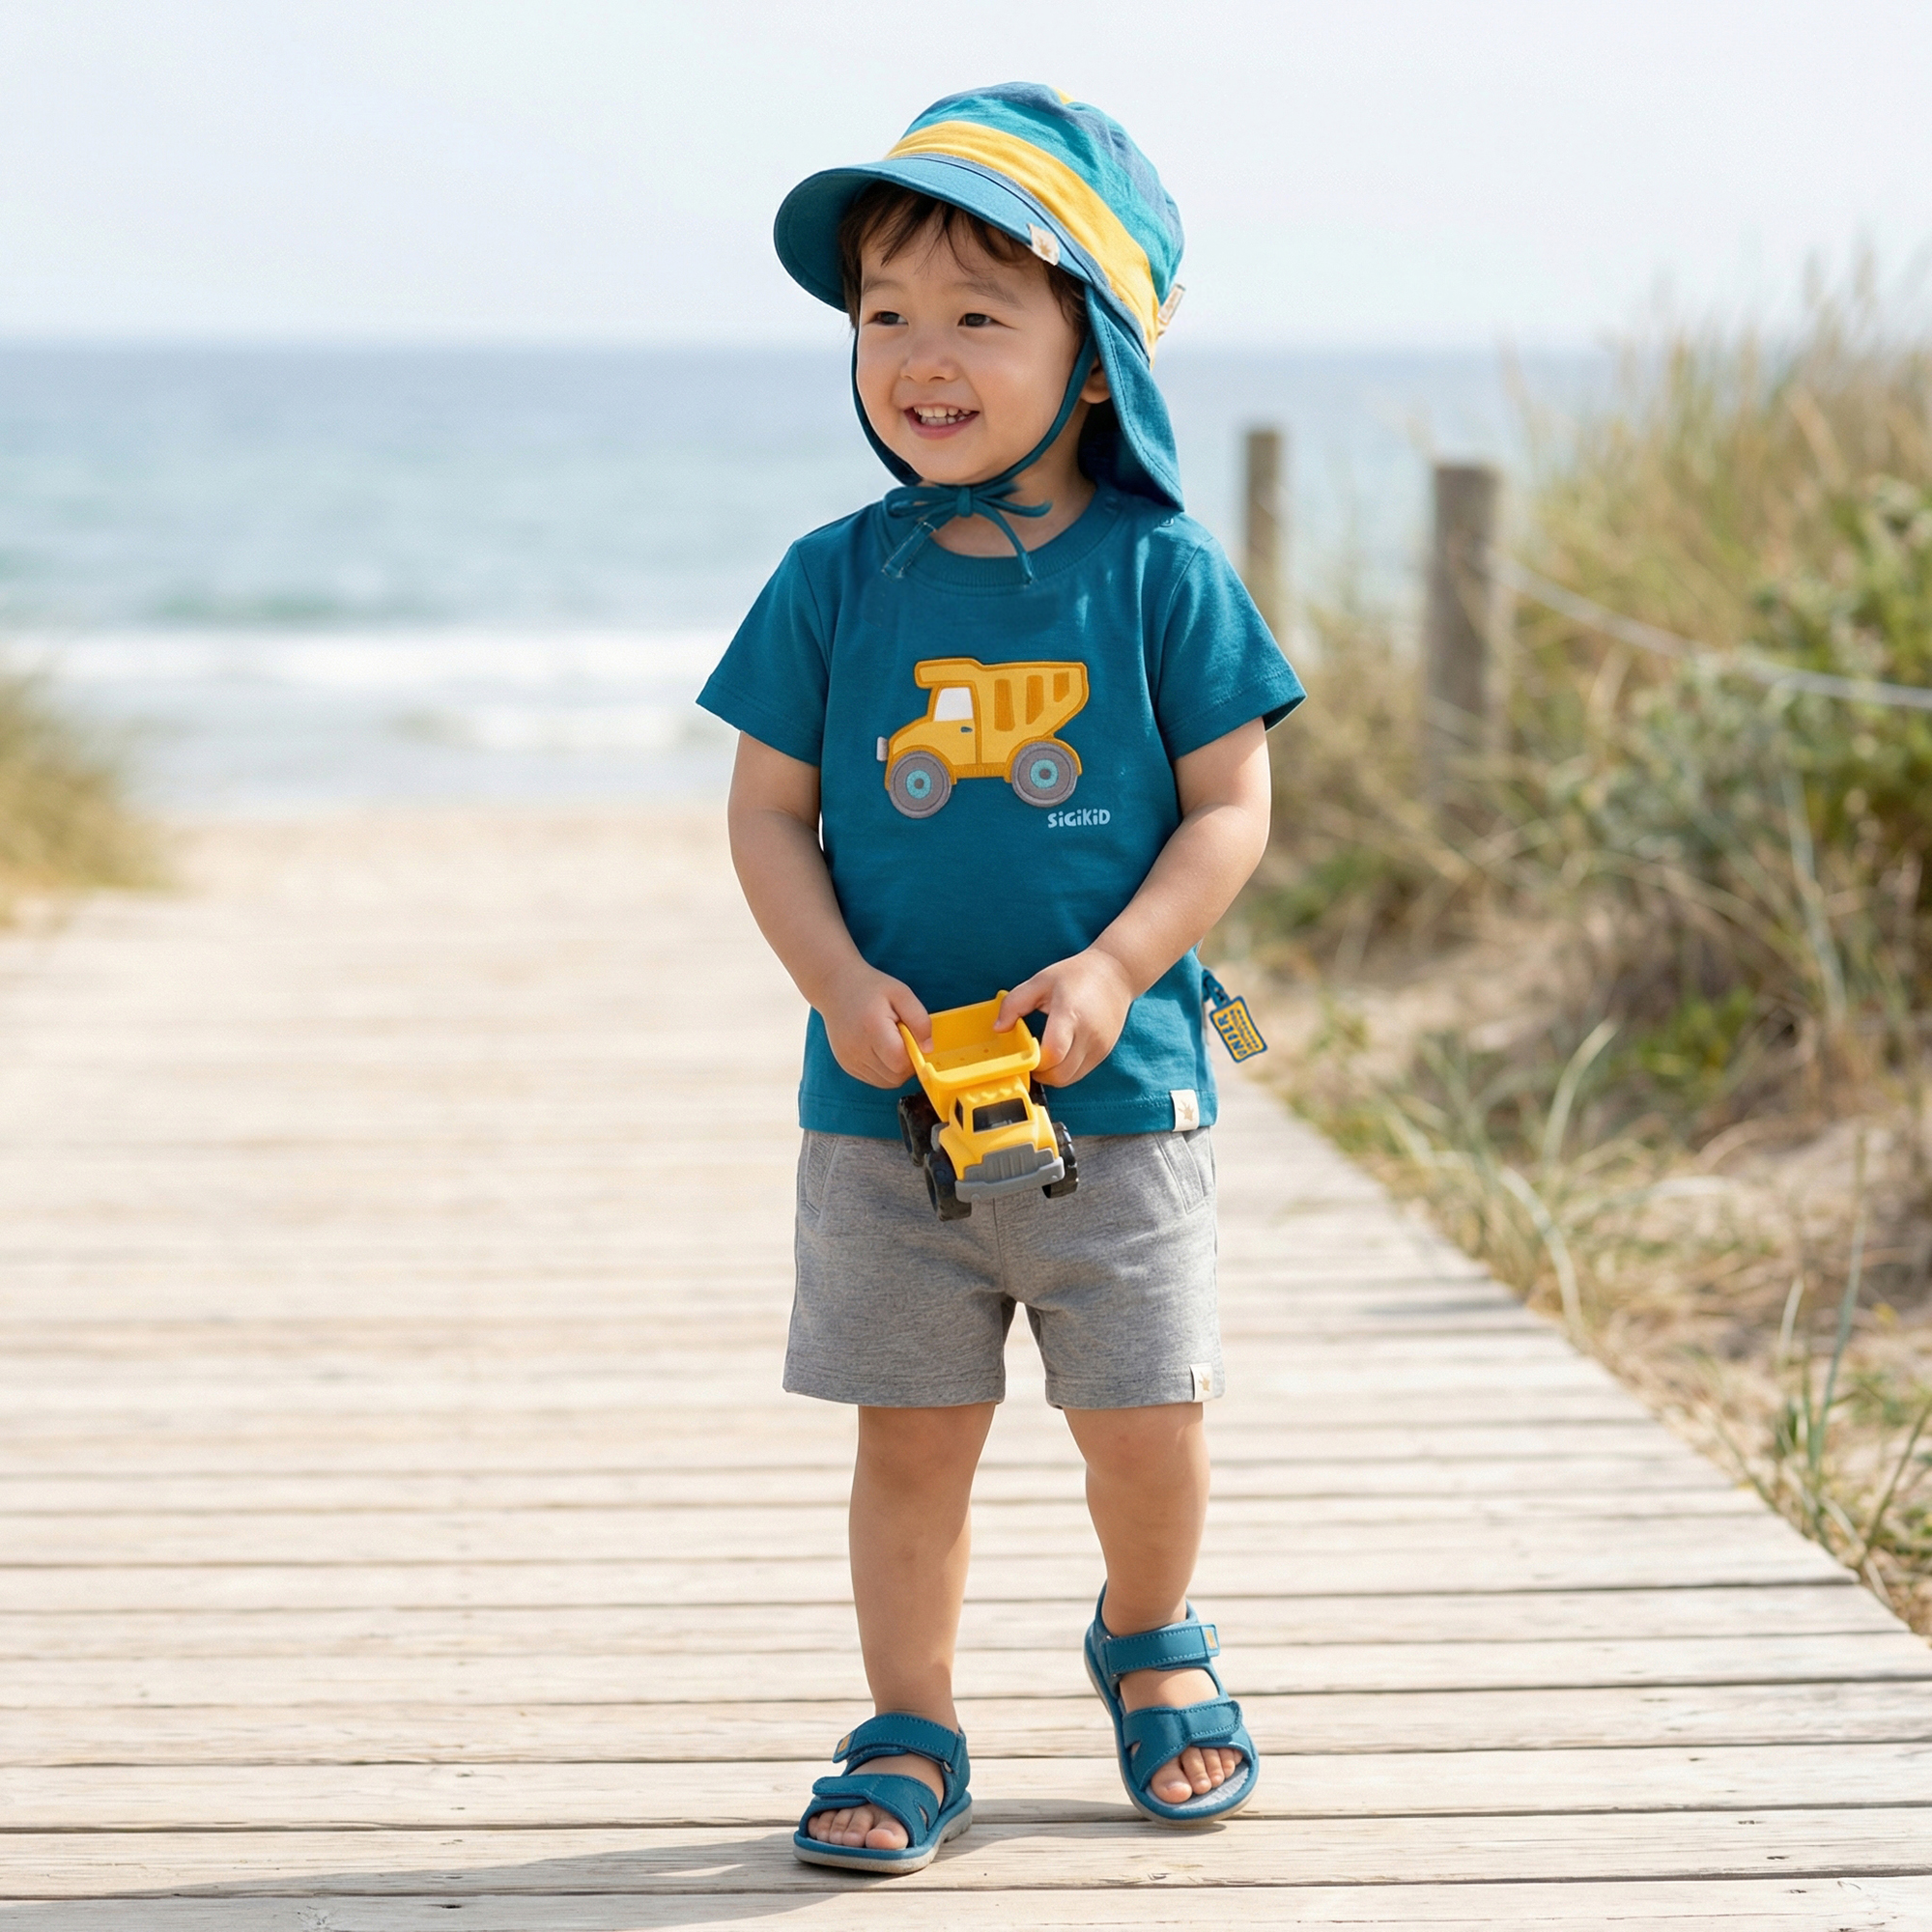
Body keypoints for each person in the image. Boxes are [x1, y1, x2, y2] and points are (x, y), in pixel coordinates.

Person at [697, 83, 1303, 1875]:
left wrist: (1120, 965)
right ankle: (912, 1716)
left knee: (1145, 1425)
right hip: (889, 1116)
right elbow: (767, 817)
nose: (920, 355)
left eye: (979, 314)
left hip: (1114, 1100)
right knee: (914, 1441)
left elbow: (1231, 806)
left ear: (1093, 359)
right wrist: (832, 979)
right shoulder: (833, 581)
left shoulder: (1161, 576)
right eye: (887, 313)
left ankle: (1149, 1633)